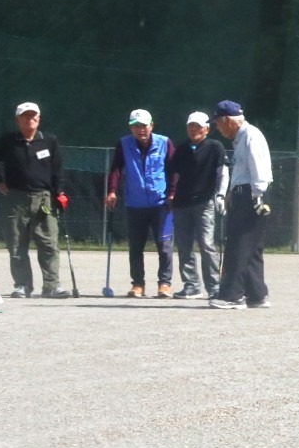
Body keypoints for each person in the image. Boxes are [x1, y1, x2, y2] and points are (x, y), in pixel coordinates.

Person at [0, 101, 68, 298]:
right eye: (25, 116)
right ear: (18, 120)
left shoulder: (49, 140)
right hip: (16, 198)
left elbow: (57, 169)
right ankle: (22, 285)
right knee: (16, 243)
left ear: (39, 119)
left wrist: (60, 192)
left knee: (49, 243)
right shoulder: (8, 141)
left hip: (44, 198)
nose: (30, 119)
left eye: (33, 116)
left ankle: (51, 286)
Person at [209, 102, 273, 309]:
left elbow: (258, 168)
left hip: (251, 195)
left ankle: (232, 295)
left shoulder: (250, 135)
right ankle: (257, 294)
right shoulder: (242, 137)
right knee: (252, 246)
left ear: (227, 120)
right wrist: (231, 193)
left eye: (218, 124)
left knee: (238, 245)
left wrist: (257, 197)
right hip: (244, 192)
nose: (218, 129)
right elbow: (243, 170)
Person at [103, 109, 174, 298]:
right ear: (131, 128)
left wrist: (173, 193)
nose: (140, 129)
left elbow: (174, 170)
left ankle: (164, 283)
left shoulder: (165, 142)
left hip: (162, 204)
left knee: (164, 245)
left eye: (143, 125)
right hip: (135, 204)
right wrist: (112, 191)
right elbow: (116, 168)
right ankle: (138, 284)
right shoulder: (124, 144)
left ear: (151, 125)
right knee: (136, 246)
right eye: (135, 126)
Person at [166, 111, 226, 299]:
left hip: (204, 202)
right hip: (181, 203)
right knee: (184, 246)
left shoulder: (215, 147)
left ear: (207, 129)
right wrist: (171, 194)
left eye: (198, 126)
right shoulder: (181, 149)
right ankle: (191, 286)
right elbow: (173, 174)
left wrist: (221, 195)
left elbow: (222, 173)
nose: (194, 130)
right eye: (191, 126)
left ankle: (214, 287)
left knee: (207, 244)